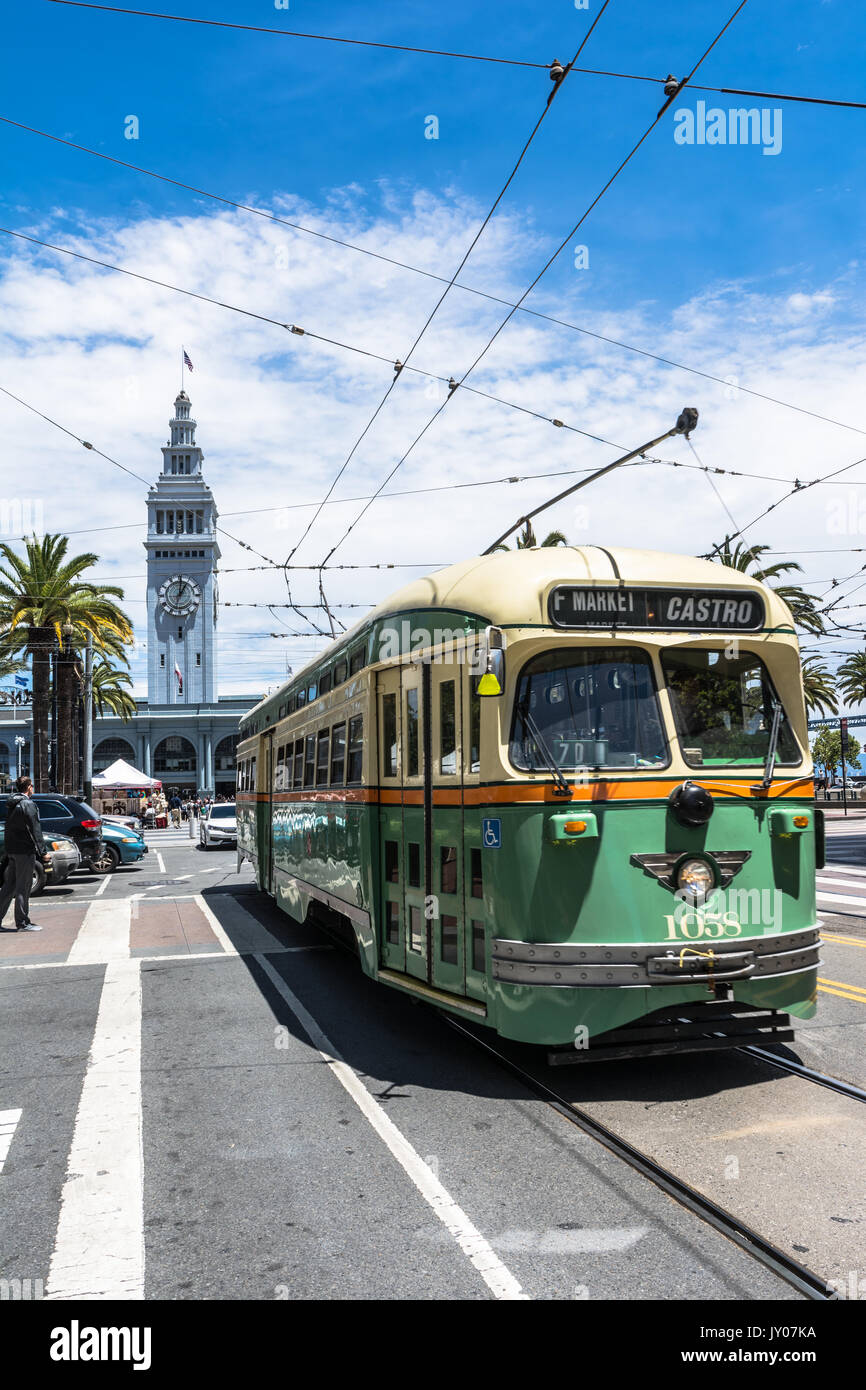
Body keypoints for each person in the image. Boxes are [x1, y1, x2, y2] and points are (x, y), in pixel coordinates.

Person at [0, 775, 50, 932]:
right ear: (29, 787)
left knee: (9, 887)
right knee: (23, 887)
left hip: (13, 850)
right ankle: (22, 922)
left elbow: (8, 828)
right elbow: (35, 830)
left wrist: (8, 850)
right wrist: (43, 852)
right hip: (24, 851)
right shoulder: (27, 804)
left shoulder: (12, 804)